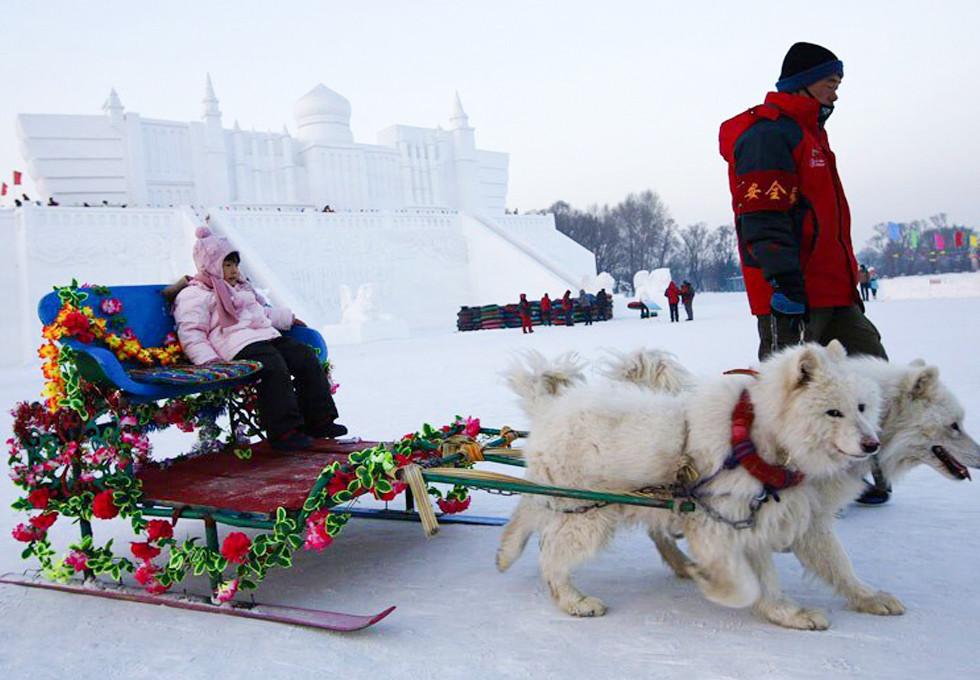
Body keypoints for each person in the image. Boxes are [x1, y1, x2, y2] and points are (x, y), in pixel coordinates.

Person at [719, 41, 891, 504]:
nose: (836, 94)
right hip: (793, 292)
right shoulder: (769, 134)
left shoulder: (812, 133)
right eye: (830, 84)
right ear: (802, 83)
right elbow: (762, 214)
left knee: (869, 376)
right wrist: (782, 280)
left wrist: (850, 273)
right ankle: (782, 482)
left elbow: (825, 219)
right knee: (788, 398)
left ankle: (857, 474)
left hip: (836, 291)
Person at [174, 226, 346, 450]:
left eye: (235, 264)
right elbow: (191, 330)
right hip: (233, 345)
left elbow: (261, 313)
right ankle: (284, 431)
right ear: (210, 265)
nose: (234, 270)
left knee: (302, 355)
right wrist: (208, 360)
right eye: (227, 264)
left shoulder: (241, 288)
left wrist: (287, 319)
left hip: (264, 336)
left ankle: (319, 420)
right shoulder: (196, 293)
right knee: (272, 366)